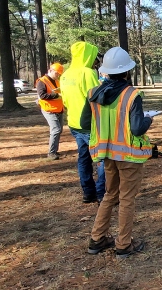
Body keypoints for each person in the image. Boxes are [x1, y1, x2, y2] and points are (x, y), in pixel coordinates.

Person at [84, 47, 154, 259]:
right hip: (129, 156)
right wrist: (149, 119)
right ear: (127, 71)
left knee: (109, 195)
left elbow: (84, 122)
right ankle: (123, 244)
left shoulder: (93, 94)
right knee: (126, 199)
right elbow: (137, 128)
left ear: (106, 71)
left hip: (106, 154)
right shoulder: (132, 94)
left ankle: (97, 239)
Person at [59, 42, 105, 203]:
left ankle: (88, 192)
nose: (95, 60)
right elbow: (96, 97)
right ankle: (102, 193)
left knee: (83, 158)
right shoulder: (87, 73)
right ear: (87, 56)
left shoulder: (65, 75)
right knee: (101, 158)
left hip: (74, 123)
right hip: (90, 123)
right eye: (93, 56)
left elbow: (64, 100)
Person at [37, 63, 66, 160]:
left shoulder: (57, 81)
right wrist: (56, 95)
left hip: (59, 109)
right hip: (48, 109)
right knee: (56, 129)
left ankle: (55, 151)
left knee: (59, 130)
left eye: (59, 74)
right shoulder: (41, 81)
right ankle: (51, 153)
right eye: (57, 73)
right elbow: (42, 96)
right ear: (50, 70)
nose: (58, 75)